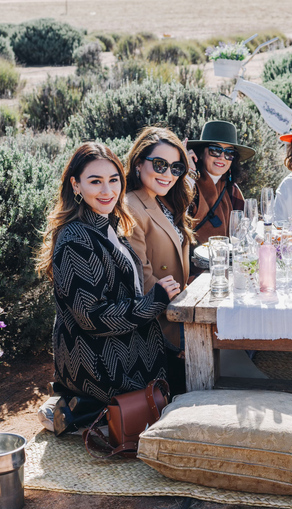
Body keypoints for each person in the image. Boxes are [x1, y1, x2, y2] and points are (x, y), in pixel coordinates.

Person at [36, 142, 181, 432]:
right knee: (192, 387)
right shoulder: (76, 239)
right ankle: (83, 409)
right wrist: (155, 300)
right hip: (103, 366)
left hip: (128, 351)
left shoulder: (106, 225)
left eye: (113, 180)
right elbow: (91, 316)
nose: (107, 191)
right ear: (76, 185)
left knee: (194, 375)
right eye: (95, 181)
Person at [125, 127, 195, 395]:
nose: (168, 174)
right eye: (160, 165)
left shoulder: (164, 200)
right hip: (159, 328)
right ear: (139, 163)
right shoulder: (132, 206)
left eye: (176, 168)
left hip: (175, 317)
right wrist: (183, 318)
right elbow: (141, 279)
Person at [186, 120, 255, 245]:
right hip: (191, 261)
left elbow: (246, 227)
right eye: (215, 150)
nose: (222, 157)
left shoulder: (231, 188)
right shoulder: (188, 183)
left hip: (225, 260)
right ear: (201, 153)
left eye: (229, 153)